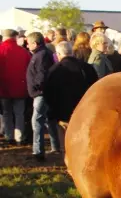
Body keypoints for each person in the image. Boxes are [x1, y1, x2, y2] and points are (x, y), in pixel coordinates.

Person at [43, 41, 98, 151]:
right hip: (84, 110)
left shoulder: (54, 70)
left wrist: (53, 111)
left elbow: (48, 93)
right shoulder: (86, 67)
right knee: (83, 141)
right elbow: (95, 87)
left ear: (58, 54)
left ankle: (68, 164)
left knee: (66, 142)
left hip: (63, 114)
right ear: (72, 52)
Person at [26, 32, 60, 161]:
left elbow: (42, 74)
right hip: (41, 92)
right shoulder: (41, 54)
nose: (27, 46)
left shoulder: (41, 55)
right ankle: (55, 147)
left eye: (28, 43)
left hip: (41, 93)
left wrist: (36, 87)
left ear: (35, 43)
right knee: (47, 120)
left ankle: (38, 151)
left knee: (37, 121)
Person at [0, 29, 32, 145]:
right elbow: (29, 70)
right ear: (15, 37)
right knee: (19, 113)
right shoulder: (23, 51)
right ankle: (19, 137)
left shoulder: (1, 50)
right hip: (20, 87)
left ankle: (9, 136)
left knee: (7, 113)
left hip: (4, 87)